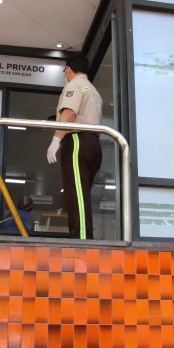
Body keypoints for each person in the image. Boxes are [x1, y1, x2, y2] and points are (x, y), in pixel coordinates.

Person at [46, 54, 103, 240]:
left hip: (77, 140)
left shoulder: (73, 86)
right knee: (81, 193)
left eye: (65, 70)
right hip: (93, 143)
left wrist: (56, 140)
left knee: (76, 195)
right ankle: (83, 237)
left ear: (68, 69)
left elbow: (69, 114)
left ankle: (82, 241)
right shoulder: (93, 90)